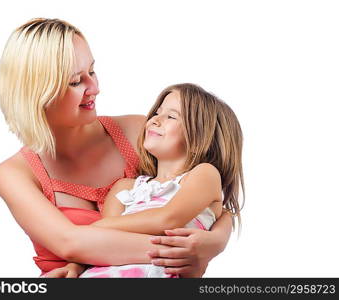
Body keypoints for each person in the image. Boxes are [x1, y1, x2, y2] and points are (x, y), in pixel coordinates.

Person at [0, 18, 234, 278]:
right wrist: (183, 251)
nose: (95, 88)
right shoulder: (15, 174)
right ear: (36, 92)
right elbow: (71, 243)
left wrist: (216, 241)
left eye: (92, 72)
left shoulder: (138, 133)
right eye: (76, 82)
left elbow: (205, 198)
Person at [50, 83, 244, 278]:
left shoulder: (204, 174)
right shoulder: (125, 187)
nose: (154, 120)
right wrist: (76, 267)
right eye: (157, 113)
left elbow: (167, 219)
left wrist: (93, 229)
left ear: (201, 137)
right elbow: (102, 243)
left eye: (171, 116)